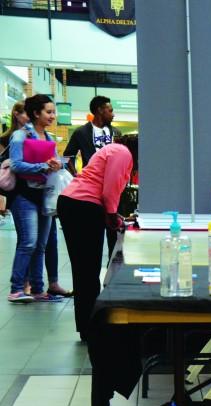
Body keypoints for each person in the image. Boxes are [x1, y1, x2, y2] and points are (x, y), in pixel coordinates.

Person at [57, 135, 137, 342]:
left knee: (84, 269)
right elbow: (110, 189)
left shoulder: (112, 150)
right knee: (88, 270)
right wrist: (112, 215)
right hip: (83, 206)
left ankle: (86, 326)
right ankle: (91, 328)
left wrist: (111, 215)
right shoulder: (123, 153)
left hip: (74, 203)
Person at [7, 94, 62, 304]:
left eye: (53, 112)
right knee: (28, 242)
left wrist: (58, 165)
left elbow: (59, 162)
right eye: (48, 112)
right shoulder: (21, 136)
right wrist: (43, 166)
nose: (53, 116)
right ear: (36, 113)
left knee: (41, 245)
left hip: (44, 196)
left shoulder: (48, 139)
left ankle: (38, 289)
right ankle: (16, 289)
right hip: (24, 196)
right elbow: (16, 165)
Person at [63, 95, 121, 175]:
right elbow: (67, 155)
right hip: (91, 179)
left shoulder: (116, 132)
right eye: (110, 111)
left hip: (112, 178)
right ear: (100, 110)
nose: (113, 115)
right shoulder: (81, 132)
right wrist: (75, 174)